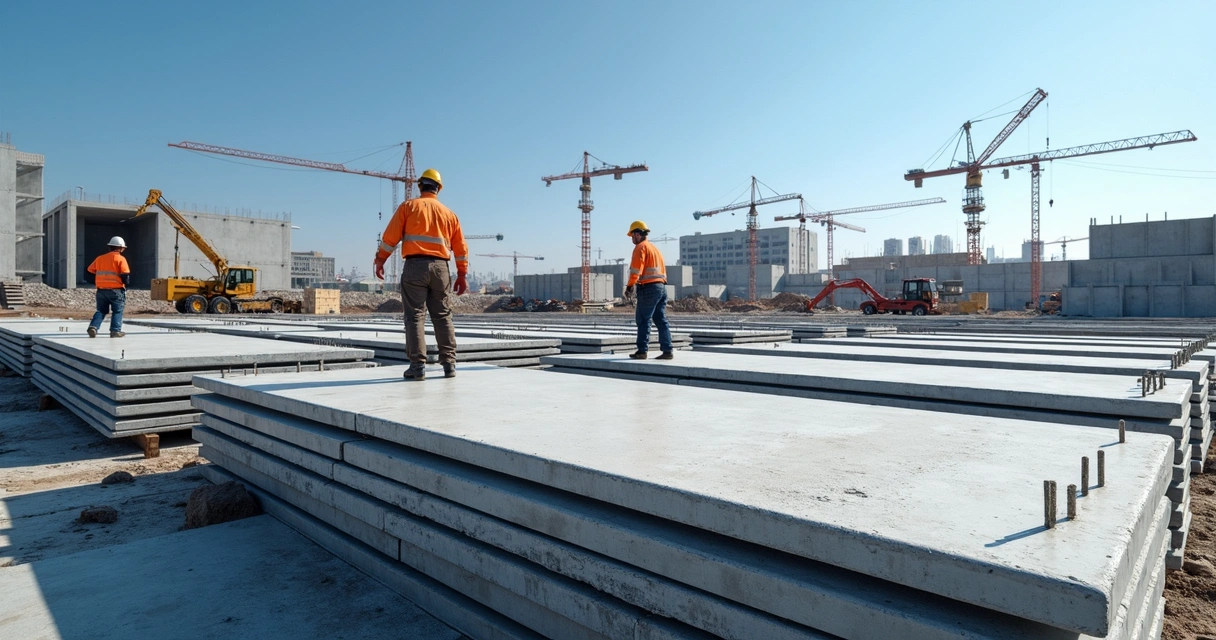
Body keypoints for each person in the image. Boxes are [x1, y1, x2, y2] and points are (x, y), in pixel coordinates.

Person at [374, 168, 469, 380]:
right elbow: (461, 248)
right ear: (438, 188)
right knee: (442, 315)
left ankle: (417, 367)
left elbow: (390, 238)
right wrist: (462, 274)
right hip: (440, 268)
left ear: (420, 186)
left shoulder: (408, 207)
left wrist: (380, 260)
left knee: (415, 316)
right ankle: (449, 365)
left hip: (415, 266)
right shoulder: (449, 214)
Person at [624, 220, 673, 360]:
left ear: (638, 234)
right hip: (661, 287)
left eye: (632, 235)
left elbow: (635, 270)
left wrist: (629, 287)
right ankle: (667, 350)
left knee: (643, 319)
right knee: (661, 320)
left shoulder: (640, 247)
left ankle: (642, 351)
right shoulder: (654, 248)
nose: (632, 239)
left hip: (649, 287)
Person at [86, 236, 131, 338]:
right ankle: (115, 331)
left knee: (101, 311)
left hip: (101, 290)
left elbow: (90, 269)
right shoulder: (120, 259)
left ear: (110, 247)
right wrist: (126, 284)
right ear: (120, 248)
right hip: (116, 290)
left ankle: (93, 327)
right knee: (117, 311)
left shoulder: (100, 258)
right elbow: (125, 275)